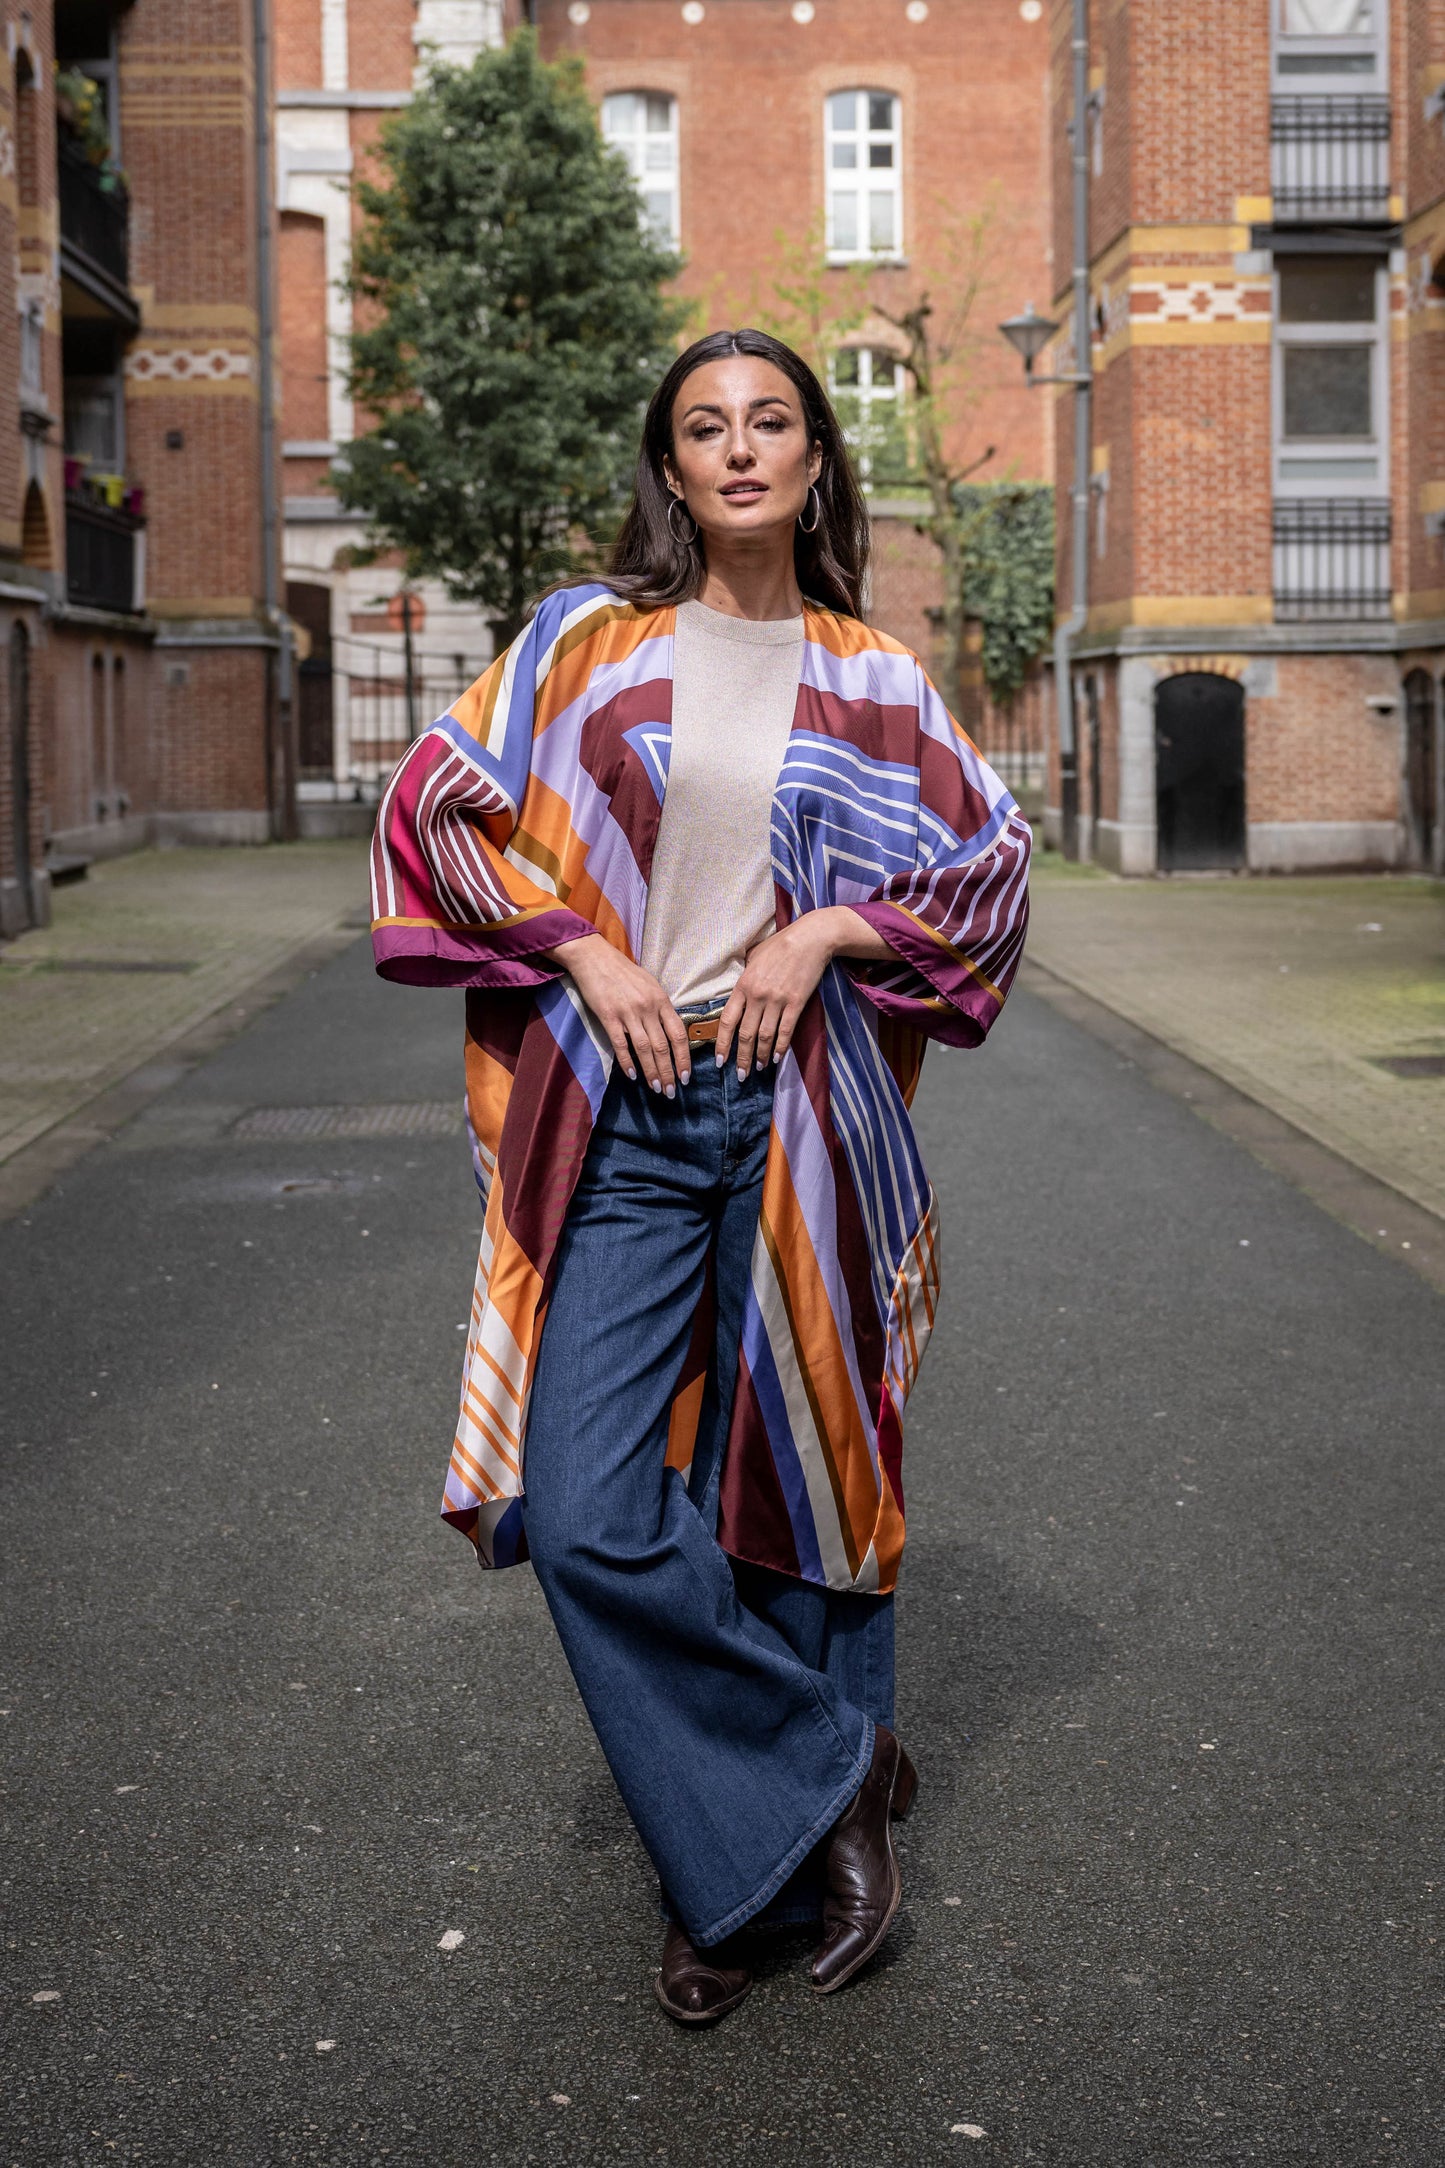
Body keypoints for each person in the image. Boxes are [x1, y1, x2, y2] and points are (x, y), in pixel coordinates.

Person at [371, 328, 1031, 2022]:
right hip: (629, 1114)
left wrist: (827, 927)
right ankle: (829, 1772)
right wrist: (583, 953)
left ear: (815, 461)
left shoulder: (875, 675)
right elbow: (435, 808)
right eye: (703, 428)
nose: (739, 450)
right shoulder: (583, 641)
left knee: (789, 1478)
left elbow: (986, 870)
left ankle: (723, 1876)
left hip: (802, 1114)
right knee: (593, 1509)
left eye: (772, 423)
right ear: (667, 468)